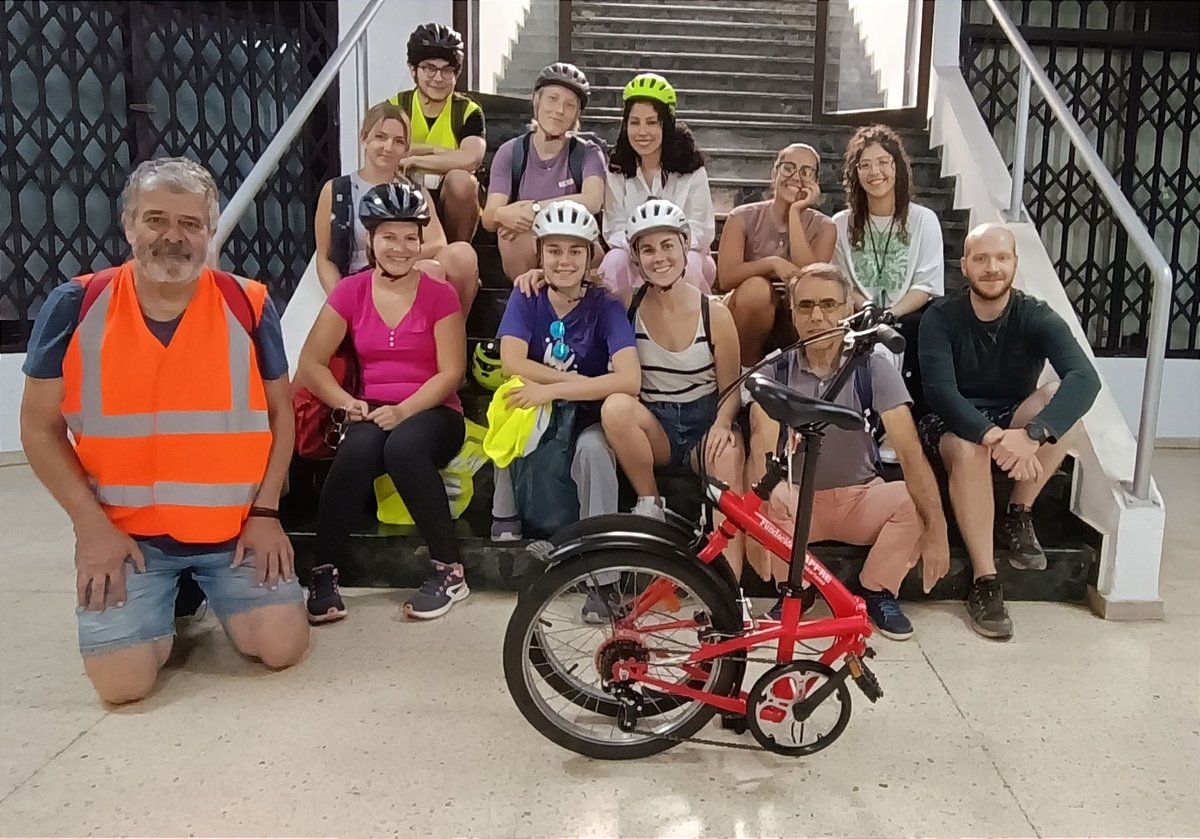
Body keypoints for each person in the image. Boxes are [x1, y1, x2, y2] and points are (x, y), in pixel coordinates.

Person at [19, 158, 309, 704]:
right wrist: (91, 530)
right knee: (123, 686)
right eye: (155, 220)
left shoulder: (247, 304)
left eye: (190, 223)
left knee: (281, 648)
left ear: (209, 232)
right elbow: (38, 428)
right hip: (128, 539)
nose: (172, 237)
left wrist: (268, 513)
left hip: (233, 534)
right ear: (129, 225)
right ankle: (169, 597)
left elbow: (280, 414)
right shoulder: (76, 305)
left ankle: (194, 591)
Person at [748, 263, 950, 640]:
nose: (818, 316)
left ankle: (877, 589)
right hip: (797, 501)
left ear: (846, 311)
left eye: (828, 304)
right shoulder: (775, 369)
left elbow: (909, 450)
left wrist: (938, 530)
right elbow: (760, 443)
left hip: (859, 496)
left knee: (912, 499)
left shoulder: (871, 366)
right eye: (805, 306)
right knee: (771, 500)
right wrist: (755, 530)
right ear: (792, 314)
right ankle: (796, 591)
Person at [918, 223, 1101, 641]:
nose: (992, 268)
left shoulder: (1034, 313)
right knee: (969, 451)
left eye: (1002, 258)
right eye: (980, 258)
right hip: (951, 422)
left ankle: (1018, 513)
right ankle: (985, 580)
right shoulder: (940, 317)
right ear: (964, 266)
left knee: (1066, 406)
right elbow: (941, 393)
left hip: (1012, 416)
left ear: (1015, 263)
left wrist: (1033, 433)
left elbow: (1085, 378)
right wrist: (993, 436)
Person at [299, 182, 468, 623]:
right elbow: (312, 363)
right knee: (356, 449)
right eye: (389, 236)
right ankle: (322, 571)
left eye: (410, 237)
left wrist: (405, 410)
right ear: (370, 240)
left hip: (434, 410)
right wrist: (346, 402)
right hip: (371, 406)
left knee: (403, 447)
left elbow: (452, 373)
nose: (401, 247)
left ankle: (450, 570)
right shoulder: (350, 291)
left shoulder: (440, 294)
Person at [490, 202, 639, 622]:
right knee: (509, 402)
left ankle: (603, 582)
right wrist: (546, 392)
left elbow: (629, 379)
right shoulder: (527, 295)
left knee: (593, 452)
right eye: (554, 251)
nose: (564, 261)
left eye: (575, 251)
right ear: (539, 254)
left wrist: (557, 390)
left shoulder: (605, 305)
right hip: (542, 410)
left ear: (591, 255)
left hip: (588, 415)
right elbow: (512, 362)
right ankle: (505, 513)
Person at [600, 200, 747, 570]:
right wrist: (534, 277)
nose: (658, 257)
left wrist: (722, 423)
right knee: (615, 407)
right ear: (635, 257)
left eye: (667, 245)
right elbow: (578, 291)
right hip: (657, 428)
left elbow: (731, 389)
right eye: (647, 249)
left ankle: (730, 582)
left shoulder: (714, 314)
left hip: (704, 423)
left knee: (728, 455)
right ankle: (651, 504)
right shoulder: (627, 308)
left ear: (685, 248)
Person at [313, 101, 479, 313]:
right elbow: (324, 257)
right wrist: (340, 297)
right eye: (380, 137)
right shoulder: (336, 189)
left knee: (459, 255)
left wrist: (395, 258)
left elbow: (437, 243)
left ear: (406, 149)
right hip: (360, 281)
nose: (388, 147)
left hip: (405, 270)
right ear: (364, 139)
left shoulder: (414, 191)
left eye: (398, 141)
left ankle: (451, 337)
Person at [482, 63, 606, 281]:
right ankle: (529, 301)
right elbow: (490, 216)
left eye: (569, 105)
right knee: (508, 232)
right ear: (536, 101)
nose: (559, 110)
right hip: (529, 246)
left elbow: (593, 200)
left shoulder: (588, 152)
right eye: (553, 99)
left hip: (573, 242)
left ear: (576, 114)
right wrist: (504, 214)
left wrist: (535, 208)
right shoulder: (511, 152)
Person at [598, 73, 716, 296]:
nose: (642, 132)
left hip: (687, 254)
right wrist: (644, 251)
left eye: (651, 122)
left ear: (667, 125)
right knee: (614, 262)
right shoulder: (617, 167)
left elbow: (701, 229)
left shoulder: (691, 167)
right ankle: (617, 328)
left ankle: (693, 327)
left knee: (688, 264)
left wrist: (665, 251)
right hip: (634, 254)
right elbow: (614, 227)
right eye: (635, 123)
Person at [720, 143, 836, 365]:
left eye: (806, 172)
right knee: (756, 290)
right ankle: (746, 373)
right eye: (788, 168)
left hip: (798, 311)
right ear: (774, 173)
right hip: (748, 313)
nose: (795, 176)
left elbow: (812, 280)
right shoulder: (741, 217)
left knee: (813, 302)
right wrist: (771, 263)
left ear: (815, 182)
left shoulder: (825, 227)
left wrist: (795, 212)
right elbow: (726, 278)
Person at [388, 22, 485, 244]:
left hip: (452, 201)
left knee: (461, 180)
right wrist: (439, 151)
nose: (438, 78)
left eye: (447, 70)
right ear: (413, 69)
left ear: (456, 73)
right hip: (406, 195)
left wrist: (413, 158)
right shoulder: (396, 106)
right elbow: (388, 153)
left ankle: (458, 251)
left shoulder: (468, 110)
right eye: (429, 68)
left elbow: (470, 159)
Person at [832, 124, 944, 317]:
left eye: (883, 162)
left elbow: (926, 284)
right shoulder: (840, 224)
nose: (874, 171)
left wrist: (892, 314)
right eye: (865, 165)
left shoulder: (925, 220)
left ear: (896, 167)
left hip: (909, 317)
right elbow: (841, 282)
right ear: (856, 173)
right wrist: (868, 309)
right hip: (859, 316)